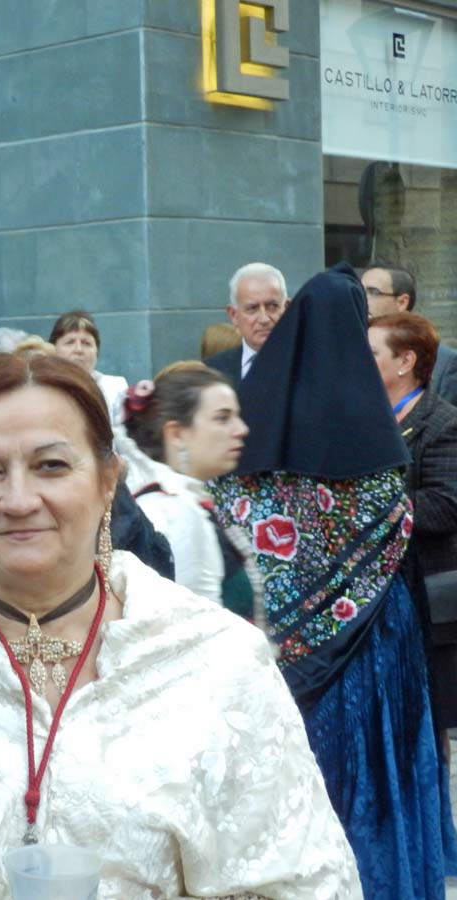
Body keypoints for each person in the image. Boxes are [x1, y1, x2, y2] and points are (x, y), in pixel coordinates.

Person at [0, 352, 360, 898]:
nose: (18, 500)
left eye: (51, 466)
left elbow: (309, 883)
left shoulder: (215, 659)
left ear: (109, 480)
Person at [211, 265, 457, 898]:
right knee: (374, 771)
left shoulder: (250, 411)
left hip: (277, 639)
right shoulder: (365, 417)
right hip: (374, 634)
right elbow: (393, 519)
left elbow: (232, 515)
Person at [369, 311, 457, 732]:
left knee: (429, 722)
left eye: (371, 353)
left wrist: (369, 507)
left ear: (405, 361)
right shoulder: (366, 418)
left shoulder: (443, 424)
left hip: (426, 594)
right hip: (379, 598)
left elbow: (444, 506)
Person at [118, 362, 253, 614]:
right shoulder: (174, 513)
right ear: (177, 434)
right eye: (222, 418)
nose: (241, 429)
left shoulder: (182, 500)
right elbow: (192, 626)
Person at [362, 264, 457, 407]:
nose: (362, 299)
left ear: (402, 302)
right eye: (359, 291)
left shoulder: (444, 363)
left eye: (373, 292)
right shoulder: (347, 350)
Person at [203, 262, 288, 383]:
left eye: (272, 306)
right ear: (234, 315)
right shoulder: (211, 372)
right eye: (252, 308)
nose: (264, 319)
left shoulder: (310, 364)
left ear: (287, 308)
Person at [48, 310, 128, 425]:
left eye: (86, 343)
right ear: (53, 349)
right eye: (70, 342)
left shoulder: (114, 388)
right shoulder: (42, 389)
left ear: (96, 351)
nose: (78, 350)